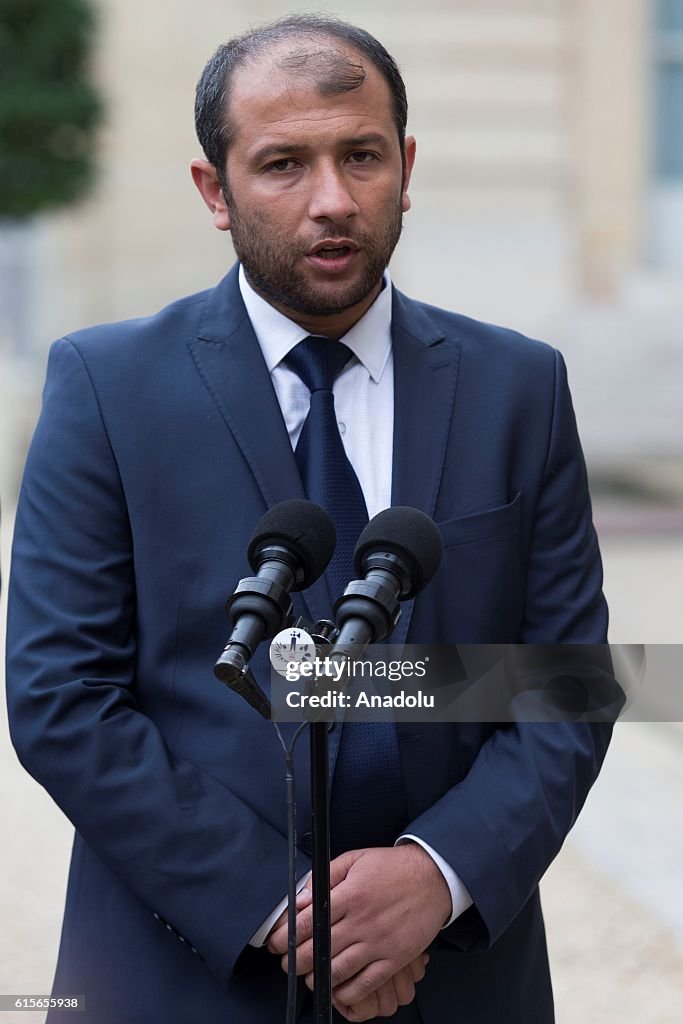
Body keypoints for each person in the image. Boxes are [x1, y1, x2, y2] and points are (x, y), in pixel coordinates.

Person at [6, 14, 612, 1024]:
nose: (330, 200)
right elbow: (63, 697)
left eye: (360, 156)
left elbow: (566, 681)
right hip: (186, 976)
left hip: (457, 977)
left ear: (405, 167)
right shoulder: (105, 387)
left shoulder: (519, 386)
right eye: (283, 163)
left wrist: (434, 874)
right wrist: (292, 914)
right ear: (214, 189)